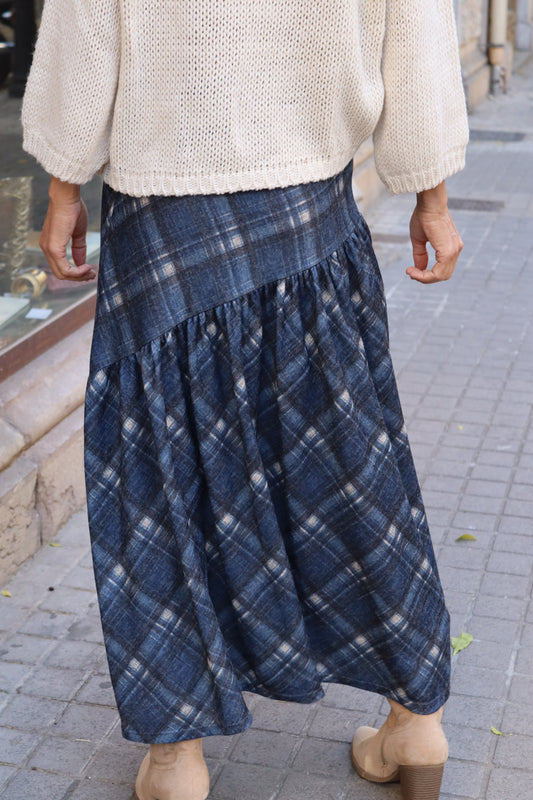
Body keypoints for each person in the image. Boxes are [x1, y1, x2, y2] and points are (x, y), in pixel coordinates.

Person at [21, 2, 469, 799]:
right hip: (310, 210)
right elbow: (417, 30)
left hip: (164, 217)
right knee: (348, 455)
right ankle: (414, 722)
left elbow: (86, 25)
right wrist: (429, 196)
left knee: (159, 470)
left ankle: (176, 760)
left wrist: (62, 185)